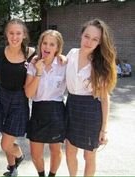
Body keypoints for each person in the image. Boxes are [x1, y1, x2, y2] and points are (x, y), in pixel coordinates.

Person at [65, 19, 117, 176]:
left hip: (91, 111)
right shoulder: (71, 54)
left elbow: (105, 98)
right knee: (69, 152)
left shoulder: (99, 64)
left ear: (100, 42)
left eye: (95, 39)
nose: (89, 42)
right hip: (71, 106)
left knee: (89, 156)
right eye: (87, 36)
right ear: (81, 35)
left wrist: (104, 129)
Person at [0, 18, 35, 176]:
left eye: (18, 33)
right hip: (1, 98)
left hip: (19, 102)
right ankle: (12, 168)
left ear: (24, 35)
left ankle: (20, 156)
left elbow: (52, 57)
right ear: (6, 34)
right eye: (11, 33)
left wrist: (62, 58)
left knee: (5, 144)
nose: (14, 36)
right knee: (6, 136)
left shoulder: (31, 54)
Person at [24, 30, 66, 177]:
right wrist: (38, 72)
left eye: (52, 44)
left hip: (56, 111)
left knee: (56, 151)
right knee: (35, 154)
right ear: (40, 44)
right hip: (38, 110)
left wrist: (64, 58)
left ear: (57, 47)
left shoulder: (63, 64)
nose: (47, 47)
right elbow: (28, 94)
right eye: (45, 43)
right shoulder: (33, 64)